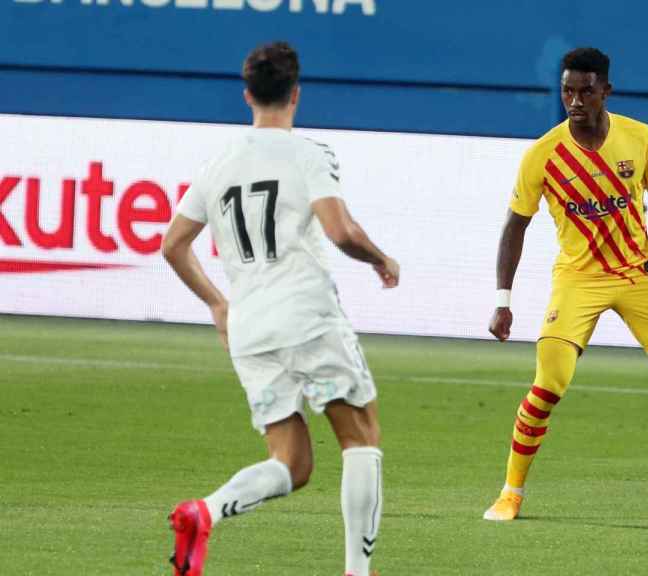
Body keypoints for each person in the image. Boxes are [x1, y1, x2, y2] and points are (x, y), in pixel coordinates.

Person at [482, 47, 648, 524]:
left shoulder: (640, 139)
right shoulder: (543, 155)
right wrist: (503, 301)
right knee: (549, 383)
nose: (575, 100)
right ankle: (511, 493)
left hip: (639, 276)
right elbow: (514, 227)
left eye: (586, 90)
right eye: (568, 90)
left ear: (606, 90)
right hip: (578, 280)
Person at [161, 41, 398, 576]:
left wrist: (218, 304)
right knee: (361, 437)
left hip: (250, 325)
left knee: (291, 462)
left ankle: (206, 512)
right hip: (306, 314)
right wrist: (381, 259)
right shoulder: (307, 153)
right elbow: (339, 230)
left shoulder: (217, 164)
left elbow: (173, 244)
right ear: (296, 94)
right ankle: (357, 573)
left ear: (247, 94)